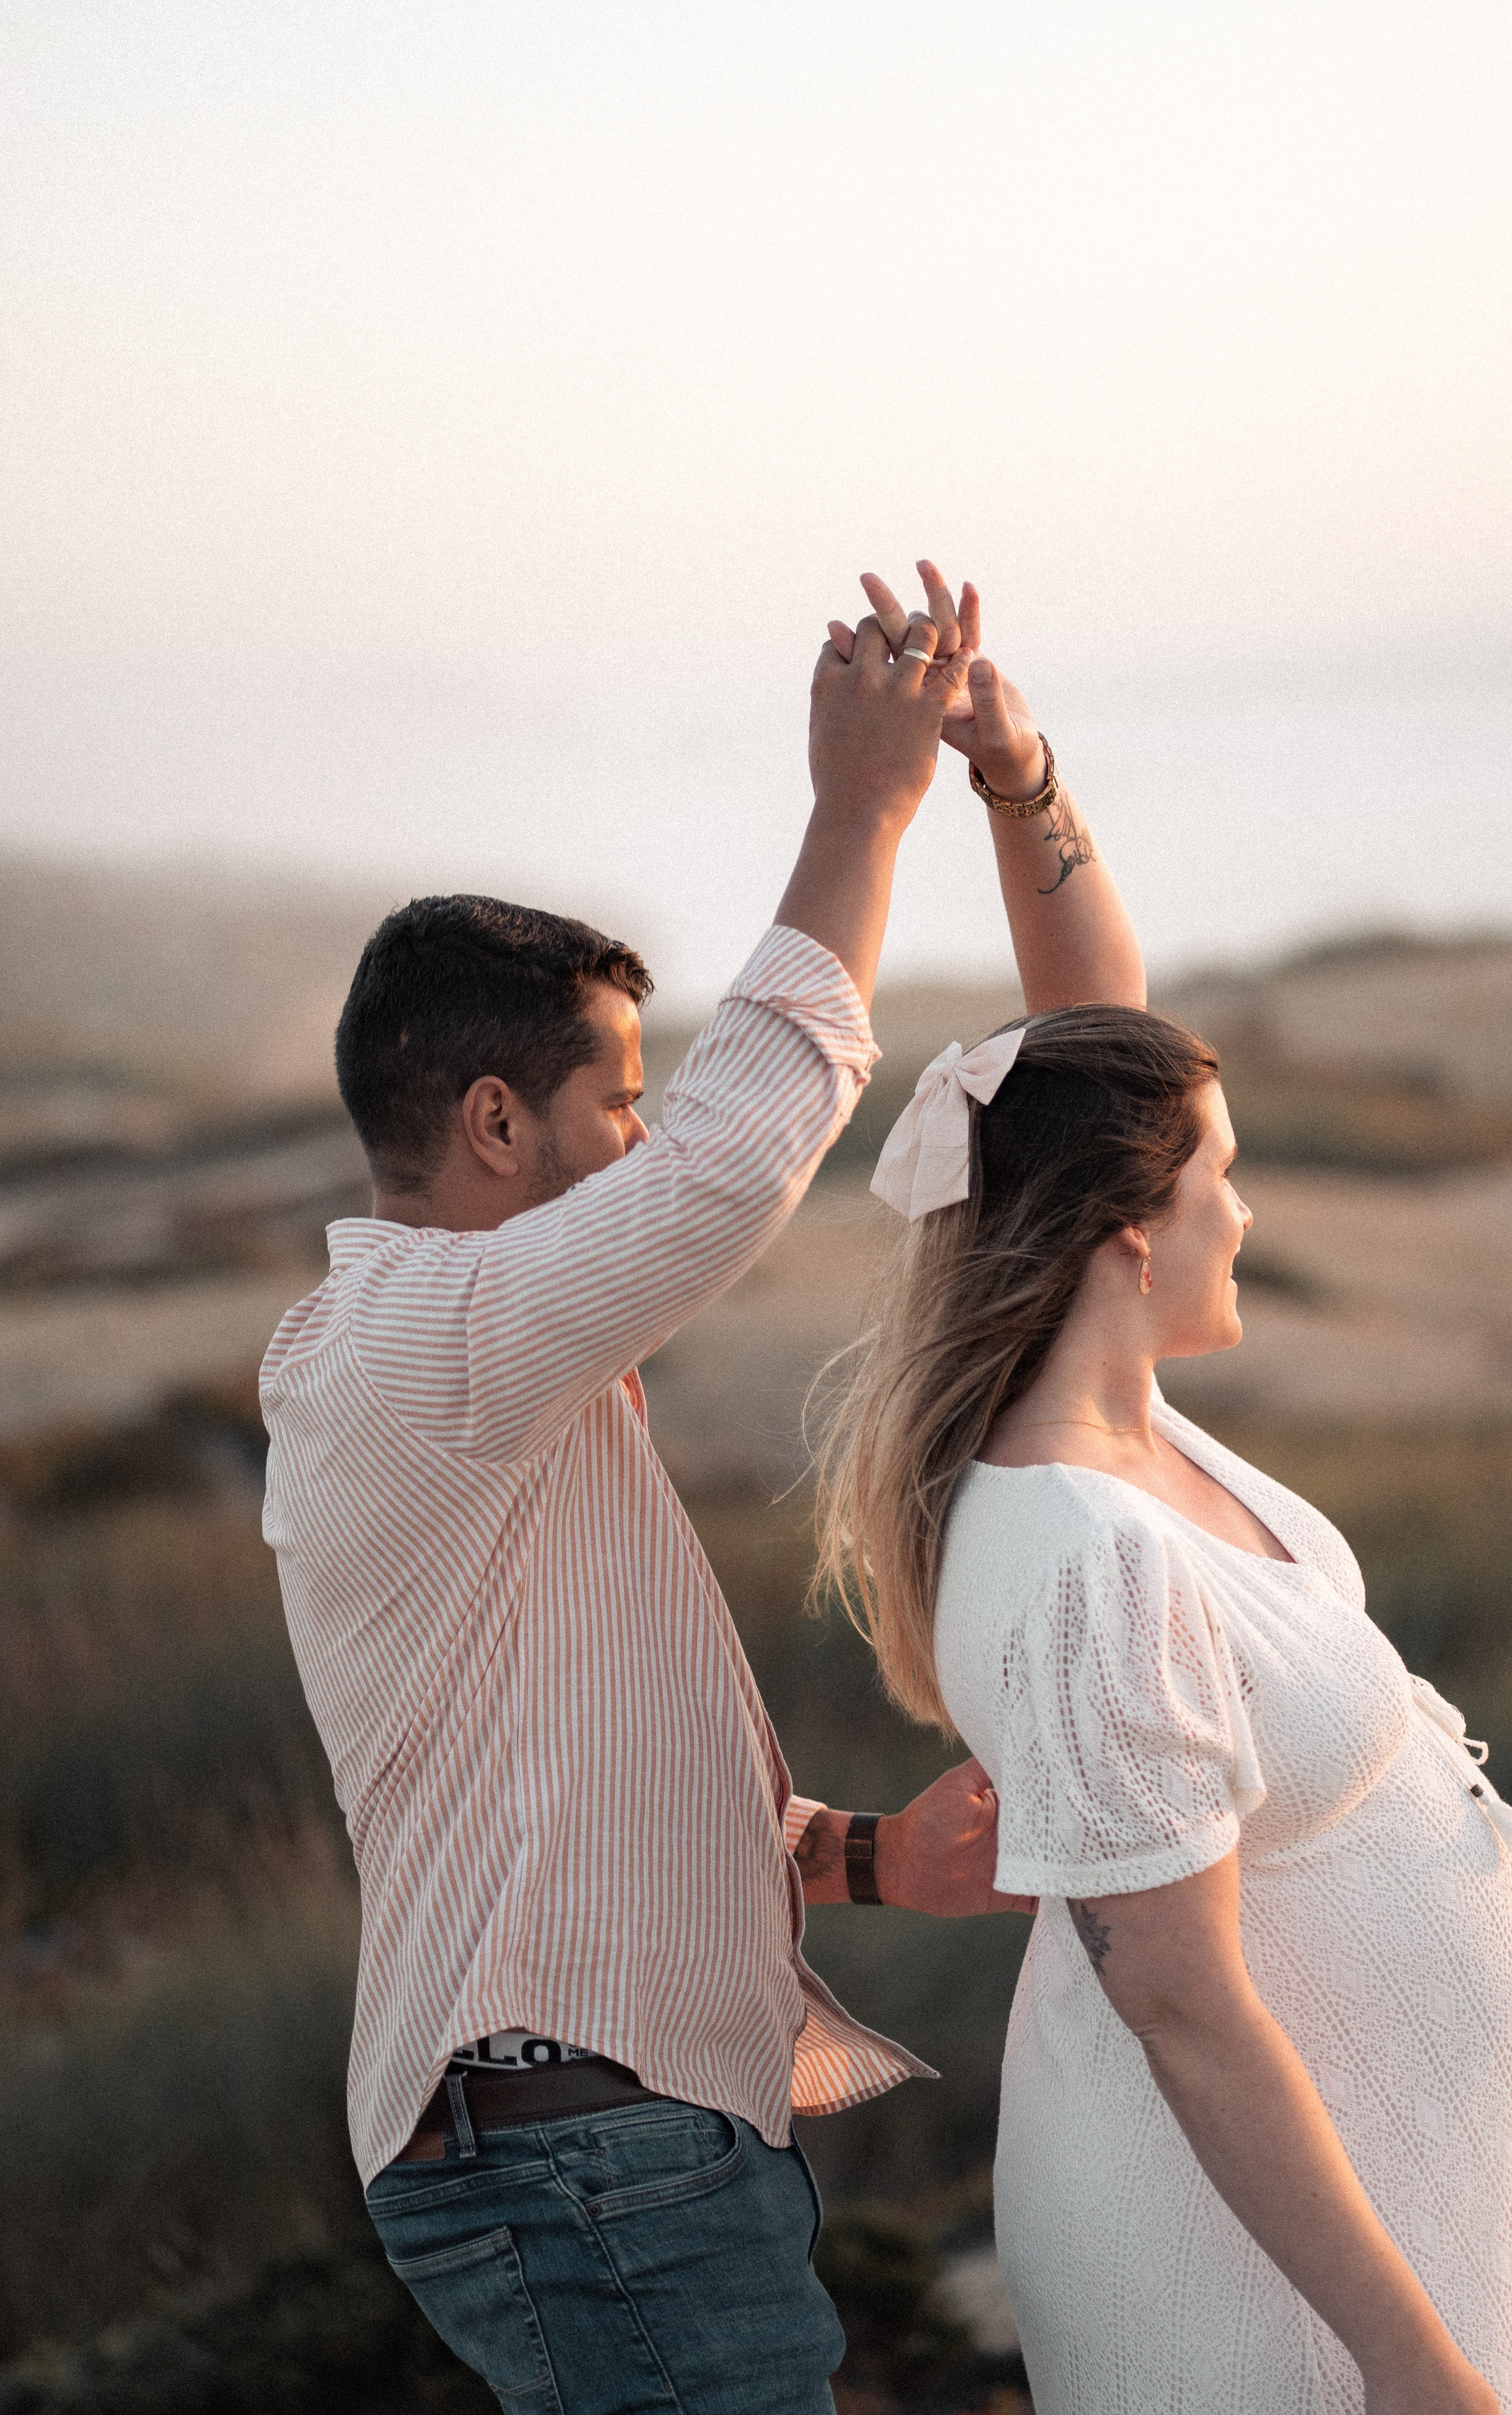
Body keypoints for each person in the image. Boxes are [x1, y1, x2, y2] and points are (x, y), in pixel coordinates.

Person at [259, 564, 1109, 2415]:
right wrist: (860, 809)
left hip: (606, 2132)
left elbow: (555, 1793)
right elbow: (734, 1165)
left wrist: (867, 1857)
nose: (645, 1136)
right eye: (615, 1101)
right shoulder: (407, 1342)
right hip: (578, 2146)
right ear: (496, 1124)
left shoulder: (482, 1377)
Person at [816, 679, 1512, 2412]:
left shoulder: (1115, 1424)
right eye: (1220, 1179)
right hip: (1266, 2292)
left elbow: (1098, 1038)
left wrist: (1015, 777)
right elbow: (1180, 2007)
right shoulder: (1085, 1553)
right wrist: (1409, 2363)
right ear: (1125, 1232)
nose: (1245, 1212)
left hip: (1410, 2189)